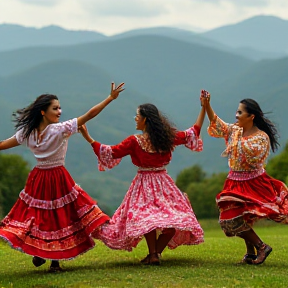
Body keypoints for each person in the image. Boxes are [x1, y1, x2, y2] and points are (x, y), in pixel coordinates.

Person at [0, 82, 125, 272]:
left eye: (59, 108)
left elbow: (2, 145)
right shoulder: (60, 129)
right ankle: (51, 259)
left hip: (39, 177)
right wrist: (110, 98)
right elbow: (89, 115)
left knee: (42, 215)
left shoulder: (28, 133)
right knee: (56, 216)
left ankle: (46, 255)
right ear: (43, 112)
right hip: (56, 176)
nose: (60, 111)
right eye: (55, 108)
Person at [79, 97, 206, 265]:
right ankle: (155, 254)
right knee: (168, 219)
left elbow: (111, 152)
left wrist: (88, 138)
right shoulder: (168, 136)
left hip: (144, 184)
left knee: (150, 219)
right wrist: (204, 108)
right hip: (164, 184)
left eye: (137, 116)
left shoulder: (134, 141)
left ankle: (154, 254)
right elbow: (193, 132)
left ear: (145, 119)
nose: (135, 119)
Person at [201, 91, 288, 265]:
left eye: (240, 112)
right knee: (240, 216)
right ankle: (250, 253)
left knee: (229, 219)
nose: (236, 115)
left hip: (254, 182)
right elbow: (219, 125)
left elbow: (253, 157)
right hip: (234, 181)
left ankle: (261, 246)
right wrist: (207, 105)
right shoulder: (236, 131)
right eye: (237, 111)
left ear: (251, 116)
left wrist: (238, 140)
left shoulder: (261, 138)